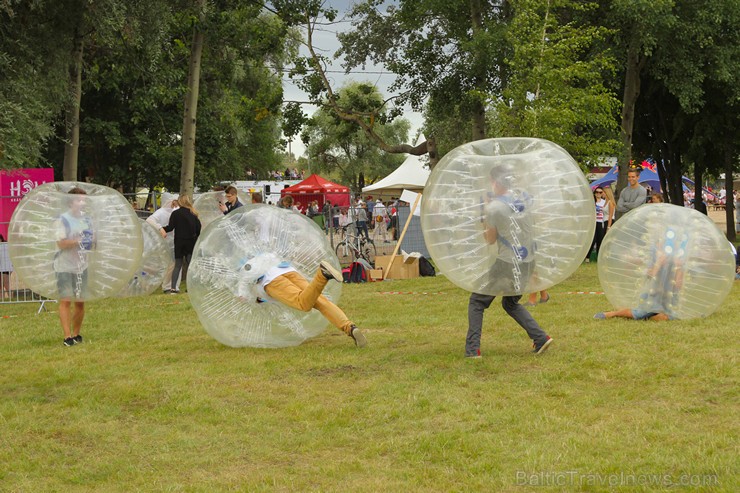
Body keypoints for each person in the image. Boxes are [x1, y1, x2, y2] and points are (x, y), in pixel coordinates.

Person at [466, 165, 553, 358]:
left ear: (495, 182)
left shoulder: (494, 208)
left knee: (477, 301)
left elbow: (489, 239)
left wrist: (485, 214)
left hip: (506, 263)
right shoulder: (522, 199)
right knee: (510, 303)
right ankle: (540, 337)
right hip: (528, 261)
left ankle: (472, 350)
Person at [594, 226, 687, 321]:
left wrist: (679, 268)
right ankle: (612, 314)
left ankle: (651, 315)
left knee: (669, 318)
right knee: (638, 314)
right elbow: (650, 276)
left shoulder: (679, 261)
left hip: (668, 301)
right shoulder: (656, 256)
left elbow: (678, 286)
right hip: (653, 297)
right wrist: (659, 263)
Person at [54, 187, 95, 346]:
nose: (82, 203)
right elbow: (61, 243)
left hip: (81, 266)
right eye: (79, 200)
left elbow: (91, 241)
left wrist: (91, 241)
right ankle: (67, 336)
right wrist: (78, 240)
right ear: (71, 202)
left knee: (80, 301)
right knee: (65, 300)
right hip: (64, 266)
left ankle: (76, 334)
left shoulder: (87, 220)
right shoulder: (62, 220)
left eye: (84, 200)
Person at [161, 195, 201, 294]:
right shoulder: (193, 213)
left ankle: (173, 288)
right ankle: (190, 288)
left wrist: (161, 229)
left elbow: (170, 228)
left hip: (179, 242)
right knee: (190, 266)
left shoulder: (175, 214)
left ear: (180, 202)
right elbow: (198, 229)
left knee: (178, 265)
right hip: (190, 242)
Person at [146, 197, 180, 293]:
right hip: (165, 242)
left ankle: (173, 286)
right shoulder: (161, 212)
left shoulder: (176, 211)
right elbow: (150, 220)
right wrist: (160, 228)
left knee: (175, 265)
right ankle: (167, 287)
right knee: (168, 265)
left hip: (174, 241)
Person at [586, 187, 613, 262]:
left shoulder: (604, 202)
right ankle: (587, 257)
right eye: (597, 192)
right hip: (593, 222)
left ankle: (599, 257)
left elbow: (608, 212)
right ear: (594, 193)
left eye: (600, 192)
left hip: (601, 222)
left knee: (600, 240)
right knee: (592, 240)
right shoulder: (592, 201)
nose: (598, 194)